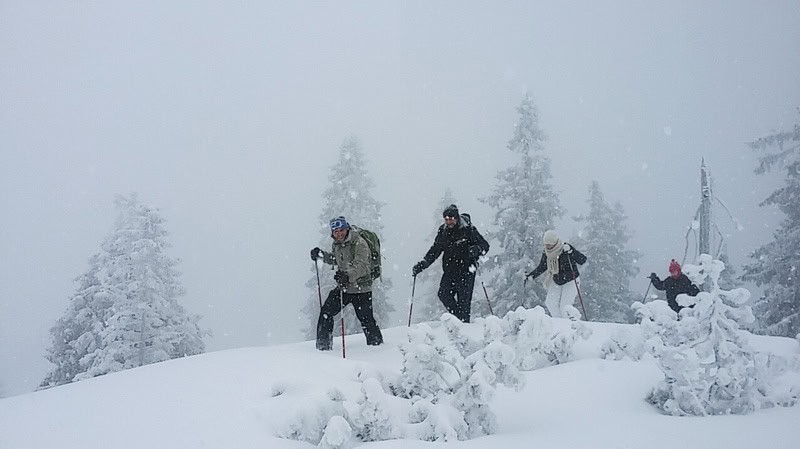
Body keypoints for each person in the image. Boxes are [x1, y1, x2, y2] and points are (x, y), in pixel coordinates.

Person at [310, 216, 383, 351]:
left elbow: (362, 266)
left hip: (361, 288)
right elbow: (336, 259)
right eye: (335, 231)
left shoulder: (359, 243)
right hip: (345, 288)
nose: (338, 234)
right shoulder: (337, 244)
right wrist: (321, 255)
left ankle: (377, 349)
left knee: (367, 320)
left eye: (341, 230)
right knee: (326, 312)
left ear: (346, 228)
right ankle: (323, 347)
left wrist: (347, 275)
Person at [412, 204, 490, 323]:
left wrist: (476, 250)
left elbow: (485, 245)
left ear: (457, 217)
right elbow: (435, 250)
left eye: (451, 218)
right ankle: (459, 320)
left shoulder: (468, 229)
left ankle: (464, 326)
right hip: (450, 272)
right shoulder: (443, 231)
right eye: (446, 219)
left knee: (464, 302)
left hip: (467, 271)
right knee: (443, 294)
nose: (449, 222)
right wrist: (422, 264)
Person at [525, 230, 587, 318]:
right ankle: (560, 322)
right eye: (546, 244)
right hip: (556, 280)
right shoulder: (546, 252)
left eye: (549, 244)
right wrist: (531, 275)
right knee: (550, 303)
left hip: (571, 280)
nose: (547, 246)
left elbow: (582, 260)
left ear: (555, 242)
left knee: (565, 306)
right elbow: (543, 266)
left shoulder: (565, 248)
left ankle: (569, 324)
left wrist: (572, 251)